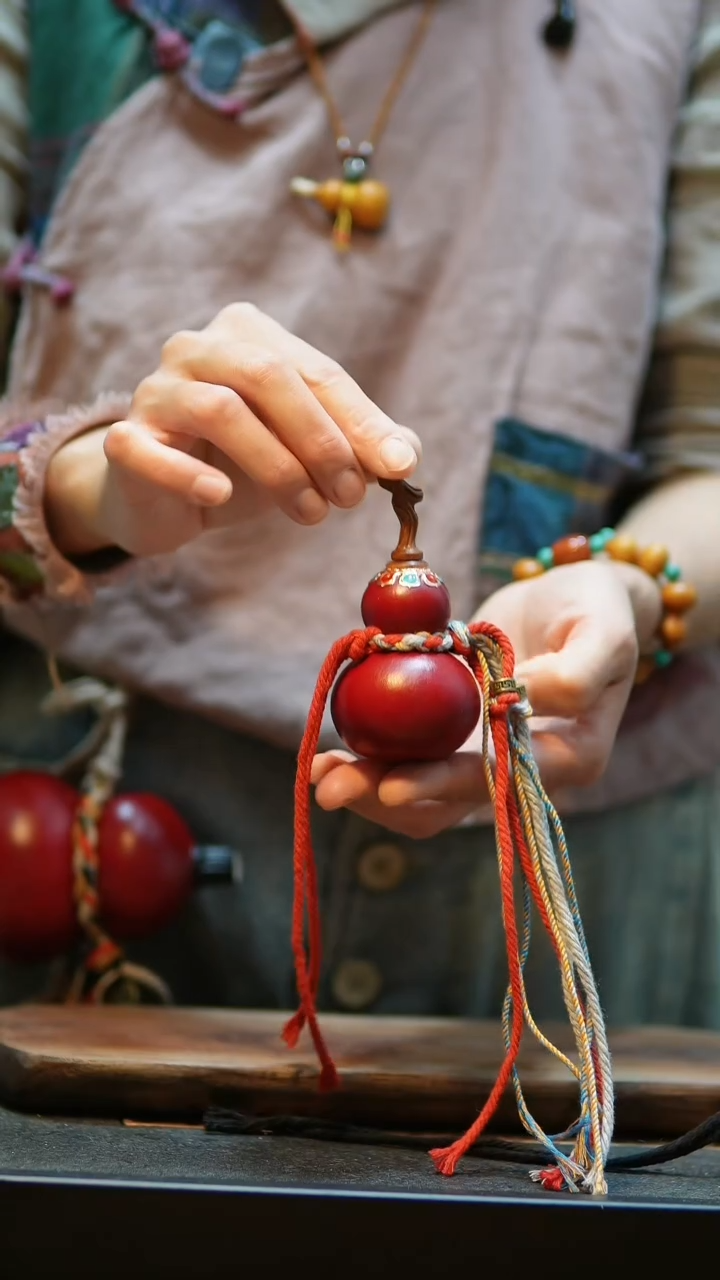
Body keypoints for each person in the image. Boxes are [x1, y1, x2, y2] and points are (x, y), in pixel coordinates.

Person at [0, 0, 719, 1026]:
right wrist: (93, 490)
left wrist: (628, 589)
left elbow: (708, 453)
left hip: (578, 847)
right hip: (107, 805)